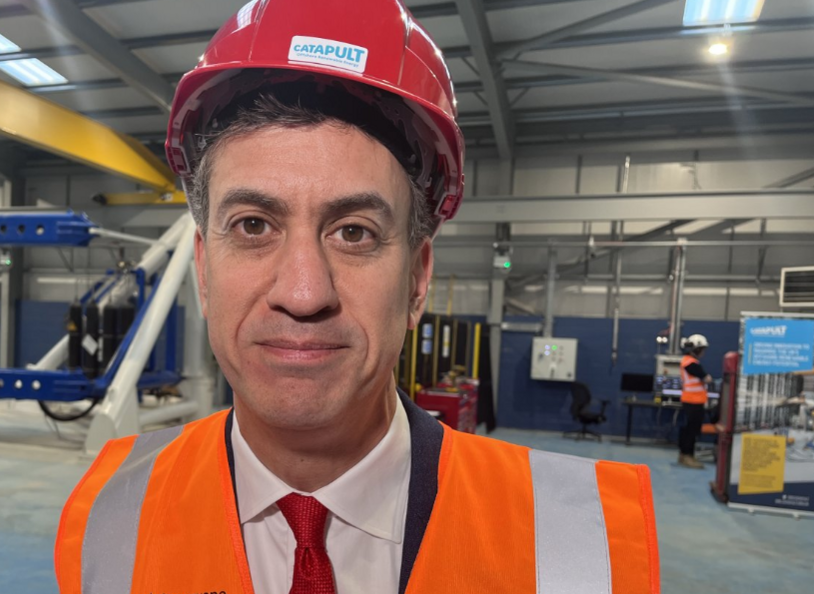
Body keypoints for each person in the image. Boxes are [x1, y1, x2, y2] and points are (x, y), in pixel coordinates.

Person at [55, 1, 660, 593]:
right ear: (205, 270)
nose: (303, 293)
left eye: (354, 233)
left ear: (417, 280)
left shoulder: (578, 544)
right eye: (253, 225)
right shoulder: (110, 514)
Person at [679, 334, 713, 469]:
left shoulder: (689, 362)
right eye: (702, 349)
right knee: (691, 430)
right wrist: (707, 378)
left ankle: (685, 454)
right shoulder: (690, 363)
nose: (703, 352)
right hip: (693, 401)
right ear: (696, 349)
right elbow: (706, 378)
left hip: (693, 401)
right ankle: (687, 456)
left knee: (689, 429)